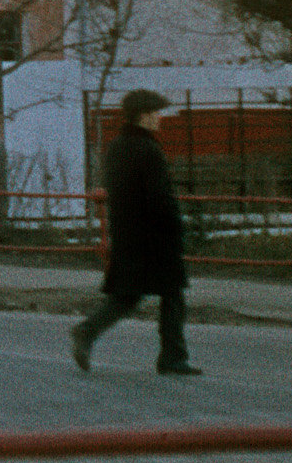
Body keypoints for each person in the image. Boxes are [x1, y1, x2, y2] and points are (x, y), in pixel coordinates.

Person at [70, 88, 198, 376]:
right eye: (156, 113)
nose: (159, 118)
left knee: (127, 295)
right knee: (173, 295)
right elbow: (160, 196)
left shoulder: (116, 147)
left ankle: (87, 331)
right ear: (144, 115)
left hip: (127, 233)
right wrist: (175, 228)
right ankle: (173, 357)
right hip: (155, 235)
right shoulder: (149, 149)